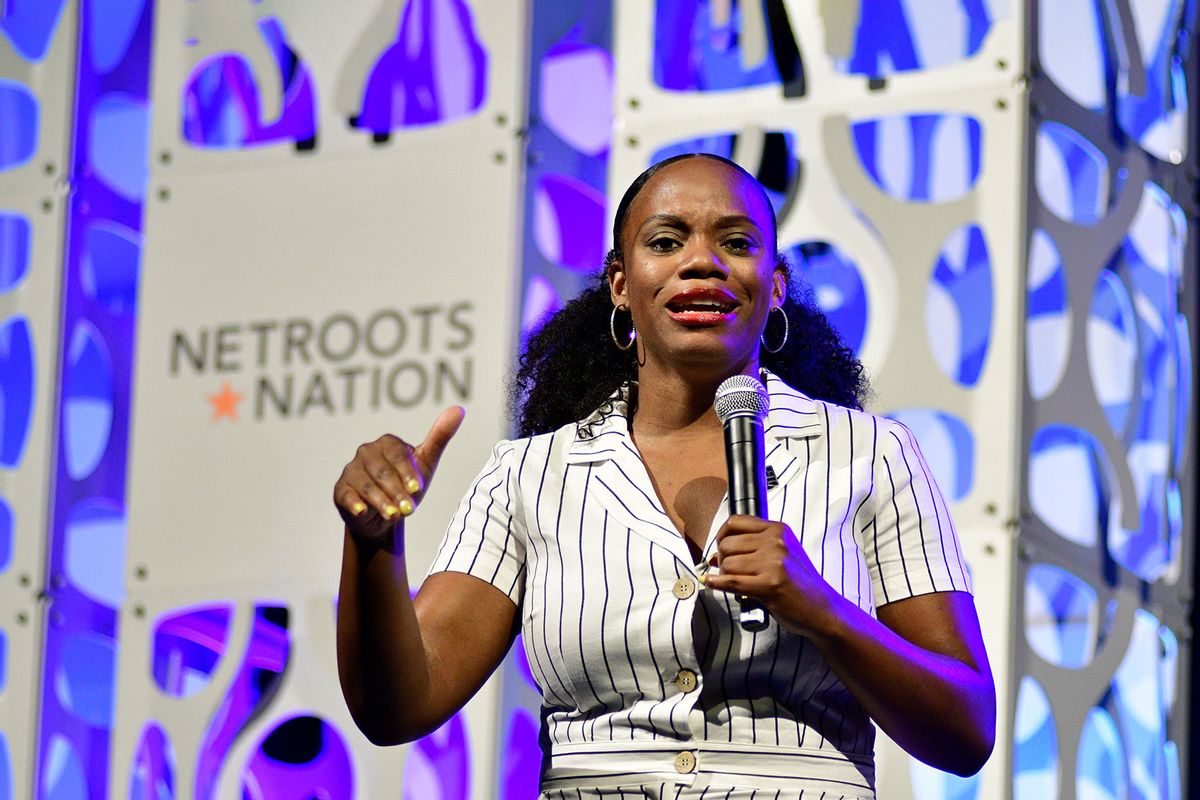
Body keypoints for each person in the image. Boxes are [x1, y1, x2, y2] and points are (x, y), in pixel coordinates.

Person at [335, 153, 996, 798]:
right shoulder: (530, 474)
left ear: (775, 285)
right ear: (620, 284)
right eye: (667, 240)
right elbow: (398, 707)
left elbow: (966, 731)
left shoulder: (870, 455)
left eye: (736, 242)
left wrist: (822, 611)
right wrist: (371, 545)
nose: (701, 262)